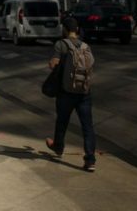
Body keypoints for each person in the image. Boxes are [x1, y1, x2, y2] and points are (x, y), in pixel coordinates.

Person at [45, 16, 96, 172]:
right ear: (77, 30)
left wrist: (54, 64)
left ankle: (58, 147)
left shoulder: (61, 44)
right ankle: (90, 160)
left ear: (65, 30)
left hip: (66, 92)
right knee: (87, 126)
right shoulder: (85, 46)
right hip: (84, 92)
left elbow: (54, 63)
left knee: (62, 121)